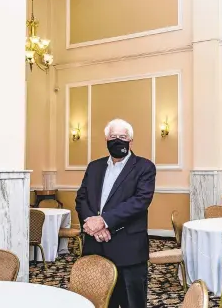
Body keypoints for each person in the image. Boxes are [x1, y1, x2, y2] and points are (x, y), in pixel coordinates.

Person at [75, 118, 156, 308]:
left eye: (123, 136)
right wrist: (93, 226)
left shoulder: (144, 167)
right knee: (98, 302)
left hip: (128, 250)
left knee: (132, 303)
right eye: (113, 136)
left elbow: (140, 201)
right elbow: (81, 199)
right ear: (106, 140)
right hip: (96, 247)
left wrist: (104, 221)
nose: (117, 140)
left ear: (131, 141)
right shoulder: (94, 167)